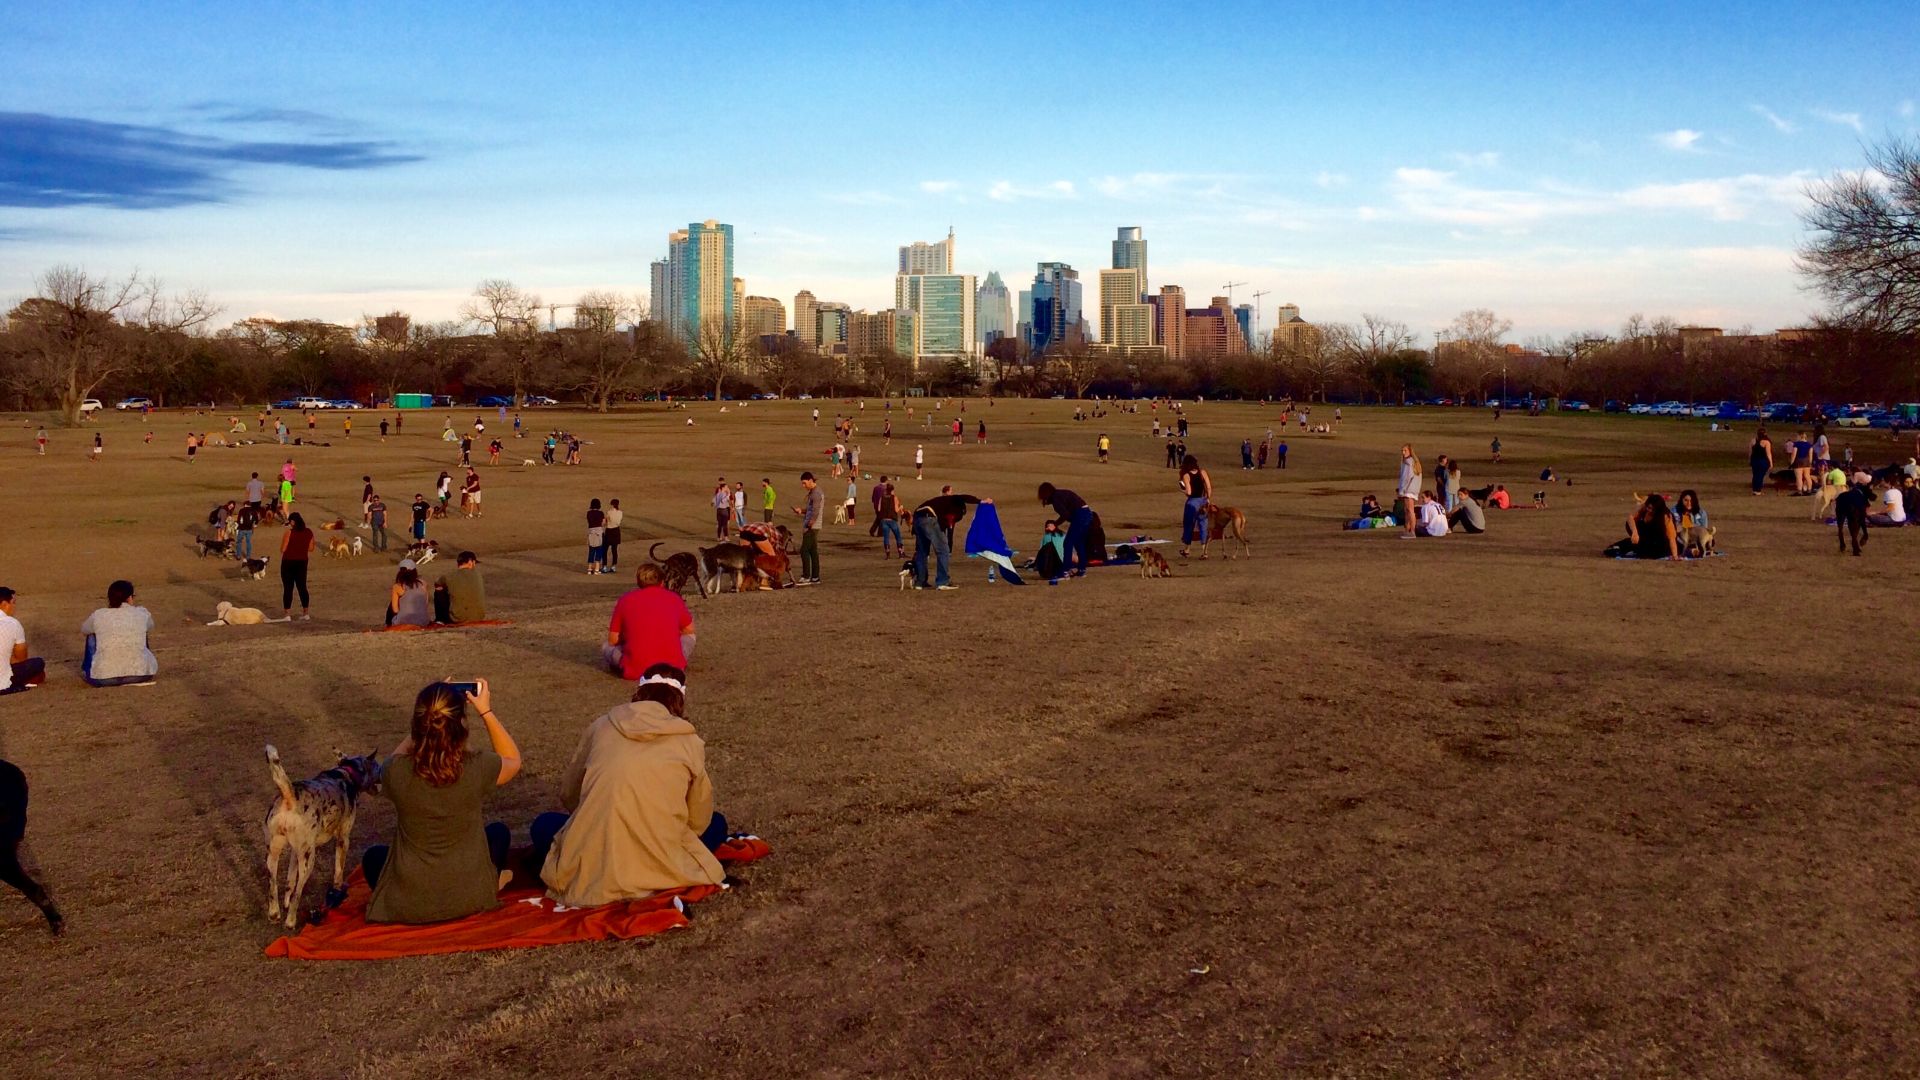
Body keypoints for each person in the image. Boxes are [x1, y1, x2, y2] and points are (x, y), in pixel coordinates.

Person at [531, 664, 732, 907]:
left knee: (544, 826)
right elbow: (698, 818)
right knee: (717, 824)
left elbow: (569, 794)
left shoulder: (601, 726)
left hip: (598, 853)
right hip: (663, 853)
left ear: (638, 693)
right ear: (680, 699)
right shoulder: (689, 740)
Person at [362, 680, 522, 924]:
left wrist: (426, 720)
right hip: (470, 893)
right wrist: (486, 711)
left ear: (418, 726)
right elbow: (512, 759)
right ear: (461, 725)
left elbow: (389, 764)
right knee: (498, 833)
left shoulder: (396, 772)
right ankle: (494, 881)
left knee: (373, 857)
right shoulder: (477, 766)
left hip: (409, 898)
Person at [604, 564, 696, 678]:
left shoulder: (625, 600)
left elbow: (612, 640)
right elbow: (689, 630)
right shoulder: (674, 598)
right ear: (662, 582)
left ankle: (625, 664)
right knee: (690, 637)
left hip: (636, 668)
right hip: (671, 668)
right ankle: (675, 659)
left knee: (606, 647)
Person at [78, 580, 157, 688]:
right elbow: (151, 625)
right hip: (141, 674)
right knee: (142, 629)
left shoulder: (99, 614)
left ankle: (88, 669)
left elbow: (84, 629)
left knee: (92, 634)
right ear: (130, 597)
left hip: (103, 678)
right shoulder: (141, 613)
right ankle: (140, 662)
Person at [912, 486, 982, 590]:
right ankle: (942, 581)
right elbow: (963, 497)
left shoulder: (941, 503)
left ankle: (920, 582)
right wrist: (980, 501)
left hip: (918, 517)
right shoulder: (953, 501)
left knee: (922, 552)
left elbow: (944, 526)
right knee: (943, 551)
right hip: (930, 518)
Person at [1038, 482, 1094, 577]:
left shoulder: (1056, 499)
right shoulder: (1060, 494)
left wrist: (1055, 524)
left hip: (1080, 515)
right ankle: (1082, 569)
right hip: (1087, 513)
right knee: (1078, 542)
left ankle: (1065, 571)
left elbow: (1065, 515)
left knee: (1068, 543)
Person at [0, 588, 45, 694]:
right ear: (5, 604)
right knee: (38, 663)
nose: (14, 607)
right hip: (3, 679)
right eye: (13, 603)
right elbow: (21, 659)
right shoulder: (12, 623)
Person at [1614, 494, 1680, 559]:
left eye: (1652, 509)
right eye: (1648, 507)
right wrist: (1635, 532)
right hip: (1644, 537)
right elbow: (1630, 518)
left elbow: (1671, 538)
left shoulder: (1666, 517)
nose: (1649, 510)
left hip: (1658, 542)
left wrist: (1675, 556)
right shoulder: (1645, 508)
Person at [435, 552, 486, 624]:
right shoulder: (478, 575)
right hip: (479, 616)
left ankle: (440, 619)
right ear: (470, 562)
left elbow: (437, 584)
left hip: (458, 618)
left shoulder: (450, 575)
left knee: (439, 590)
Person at [280, 513, 314, 620]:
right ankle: (306, 612)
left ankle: (287, 613)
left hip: (288, 562)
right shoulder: (309, 532)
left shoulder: (289, 533)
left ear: (293, 522)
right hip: (302, 562)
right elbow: (311, 548)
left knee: (288, 588)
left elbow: (283, 549)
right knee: (302, 587)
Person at [793, 471, 825, 584]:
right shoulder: (814, 492)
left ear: (810, 481)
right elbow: (811, 509)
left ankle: (806, 576)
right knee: (813, 551)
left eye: (804, 483)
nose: (803, 486)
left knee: (804, 550)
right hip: (813, 525)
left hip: (812, 526)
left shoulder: (816, 493)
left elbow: (815, 510)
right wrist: (801, 511)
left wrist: (810, 523)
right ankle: (815, 577)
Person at [1179, 454, 1212, 559]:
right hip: (1203, 502)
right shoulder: (1203, 472)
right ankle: (1204, 551)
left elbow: (1189, 492)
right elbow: (1209, 487)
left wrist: (1182, 490)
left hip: (1192, 503)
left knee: (1189, 526)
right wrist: (1207, 498)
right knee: (1203, 526)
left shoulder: (1186, 475)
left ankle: (1187, 549)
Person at [388, 563, 432, 627]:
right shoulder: (423, 583)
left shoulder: (398, 586)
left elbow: (395, 610)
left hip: (404, 621)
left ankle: (387, 624)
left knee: (392, 603)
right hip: (423, 621)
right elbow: (426, 603)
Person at [1396, 445, 1422, 539]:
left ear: (1410, 451)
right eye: (1402, 450)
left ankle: (1411, 531)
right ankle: (1408, 530)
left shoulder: (1408, 462)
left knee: (1409, 511)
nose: (1403, 452)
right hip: (1413, 489)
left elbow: (1406, 478)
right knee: (1408, 510)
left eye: (1405, 450)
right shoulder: (1415, 462)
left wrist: (1401, 491)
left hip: (1408, 490)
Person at [1749, 427, 1774, 495]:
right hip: (1762, 460)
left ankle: (1754, 490)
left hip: (1754, 460)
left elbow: (1750, 452)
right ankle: (1758, 490)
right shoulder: (1766, 442)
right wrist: (1771, 462)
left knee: (1755, 475)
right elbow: (1768, 453)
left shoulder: (1753, 441)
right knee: (1760, 475)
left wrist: (1750, 460)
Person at [586, 498, 608, 575]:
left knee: (591, 550)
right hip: (599, 532)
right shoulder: (600, 513)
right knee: (599, 550)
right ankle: (597, 569)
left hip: (591, 532)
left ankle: (589, 568)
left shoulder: (588, 513)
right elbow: (603, 523)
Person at [603, 498, 624, 573]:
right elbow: (619, 522)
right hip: (616, 531)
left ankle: (604, 566)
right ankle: (613, 566)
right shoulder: (620, 512)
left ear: (611, 504)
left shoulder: (609, 512)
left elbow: (605, 522)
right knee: (614, 550)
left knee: (605, 550)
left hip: (609, 531)